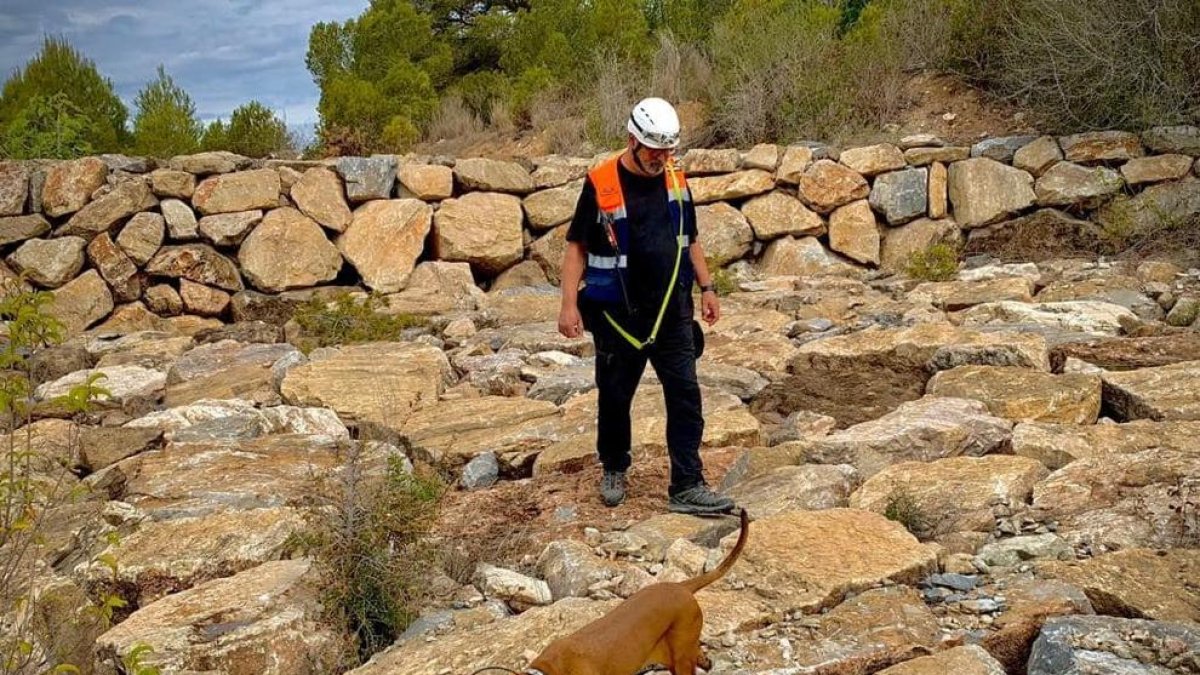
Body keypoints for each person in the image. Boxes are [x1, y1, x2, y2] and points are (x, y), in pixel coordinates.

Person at [557, 97, 735, 515]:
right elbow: (576, 247)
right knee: (615, 398)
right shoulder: (600, 182)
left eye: (668, 149)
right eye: (654, 149)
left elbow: (689, 238)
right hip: (617, 316)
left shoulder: (675, 176)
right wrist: (568, 305)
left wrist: (707, 287)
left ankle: (687, 484)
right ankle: (615, 466)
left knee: (686, 395)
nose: (661, 158)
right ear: (632, 140)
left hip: (673, 312)